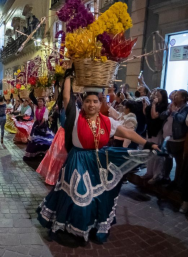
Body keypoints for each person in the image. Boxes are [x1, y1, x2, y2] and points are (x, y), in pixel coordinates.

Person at [36, 72, 158, 244]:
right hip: (76, 161)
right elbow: (66, 97)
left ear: (101, 103)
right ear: (83, 103)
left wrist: (147, 144)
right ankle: (70, 228)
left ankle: (88, 227)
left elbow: (129, 133)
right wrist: (69, 76)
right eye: (88, 101)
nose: (91, 104)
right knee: (78, 197)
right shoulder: (76, 117)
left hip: (97, 162)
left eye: (95, 101)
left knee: (95, 198)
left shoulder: (107, 122)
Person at [161, 89, 188, 189]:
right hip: (167, 137)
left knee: (178, 161)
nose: (175, 96)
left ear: (183, 98)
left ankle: (177, 181)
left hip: (177, 138)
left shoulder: (186, 107)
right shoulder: (172, 105)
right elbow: (162, 116)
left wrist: (174, 112)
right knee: (167, 158)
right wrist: (169, 111)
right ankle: (166, 177)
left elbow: (182, 119)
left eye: (177, 95)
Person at [142, 89, 169, 183]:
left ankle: (157, 174)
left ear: (163, 97)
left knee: (156, 153)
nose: (155, 97)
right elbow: (147, 113)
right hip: (150, 130)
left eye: (158, 95)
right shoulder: (154, 104)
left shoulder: (164, 106)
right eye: (155, 95)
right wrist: (145, 105)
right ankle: (149, 172)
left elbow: (154, 116)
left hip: (157, 131)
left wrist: (153, 104)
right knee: (148, 151)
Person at [24, 91, 54, 161]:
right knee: (33, 141)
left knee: (43, 140)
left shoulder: (45, 109)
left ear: (43, 103)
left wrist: (40, 125)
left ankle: (43, 153)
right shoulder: (35, 107)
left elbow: (44, 119)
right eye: (38, 101)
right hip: (36, 125)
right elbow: (32, 99)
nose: (39, 102)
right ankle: (34, 154)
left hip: (43, 126)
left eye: (41, 101)